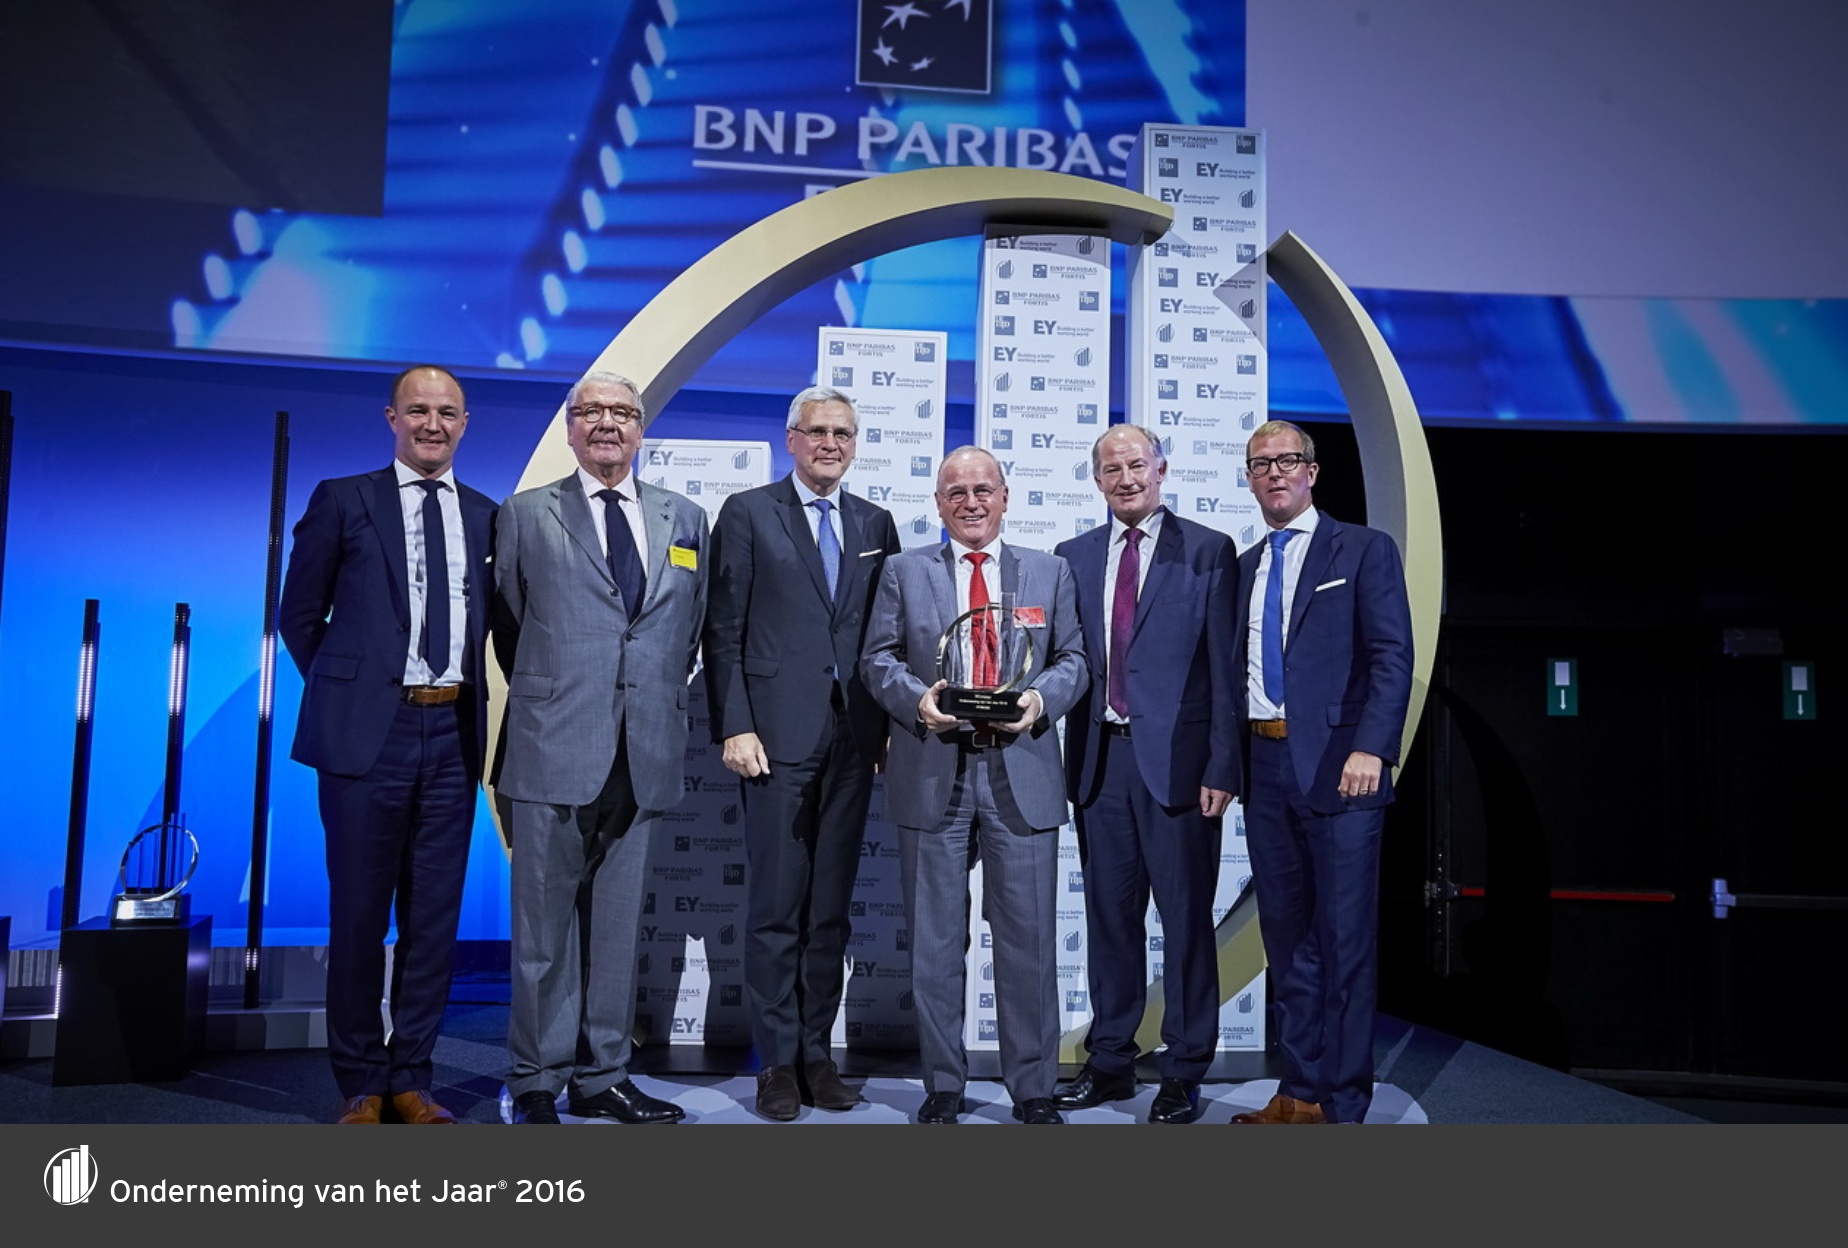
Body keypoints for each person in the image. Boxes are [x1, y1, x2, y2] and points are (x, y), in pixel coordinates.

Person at [279, 364, 497, 1125]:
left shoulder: (486, 515)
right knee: (359, 917)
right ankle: (362, 1085)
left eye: (447, 412)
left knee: (433, 922)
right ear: (392, 418)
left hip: (454, 734)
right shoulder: (343, 499)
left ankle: (413, 1079)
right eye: (418, 410)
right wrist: (354, 693)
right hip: (368, 738)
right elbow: (298, 615)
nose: (433, 424)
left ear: (464, 423)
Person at [492, 371, 709, 1125]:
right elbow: (510, 625)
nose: (608, 423)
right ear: (570, 426)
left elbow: (685, 630)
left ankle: (603, 1075)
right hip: (553, 742)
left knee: (616, 930)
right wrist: (564, 690)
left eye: (622, 412)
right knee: (543, 931)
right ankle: (535, 1078)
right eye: (592, 411)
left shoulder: (685, 518)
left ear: (641, 428)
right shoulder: (527, 513)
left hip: (644, 748)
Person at [860, 447, 1088, 1125]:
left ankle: (1034, 1087)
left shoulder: (1049, 571)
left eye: (983, 489)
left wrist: (1039, 701)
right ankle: (943, 1085)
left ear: (1005, 496)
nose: (971, 502)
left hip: (1022, 772)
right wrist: (916, 702)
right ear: (938, 504)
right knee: (935, 942)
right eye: (955, 492)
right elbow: (877, 658)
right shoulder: (904, 571)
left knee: (1029, 941)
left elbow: (1075, 658)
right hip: (933, 768)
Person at [703, 386, 901, 1120]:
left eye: (842, 433)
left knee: (829, 912)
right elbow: (723, 629)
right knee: (776, 909)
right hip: (773, 741)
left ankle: (818, 1055)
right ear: (791, 439)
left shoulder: (875, 522)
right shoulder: (748, 512)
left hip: (855, 741)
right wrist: (735, 724)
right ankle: (776, 1063)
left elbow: (889, 636)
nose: (829, 444)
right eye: (816, 431)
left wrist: (888, 728)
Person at [1051, 425, 1238, 1125]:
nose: (1125, 478)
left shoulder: (1209, 550)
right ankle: (1110, 1062)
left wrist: (1223, 764)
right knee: (1110, 921)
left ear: (1161, 469)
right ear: (1096, 479)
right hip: (1100, 763)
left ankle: (1184, 1069)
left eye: (1136, 465)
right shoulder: (1072, 557)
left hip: (1182, 770)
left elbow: (1225, 668)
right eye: (1111, 469)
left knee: (1186, 923)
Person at [1228, 420, 1413, 1126]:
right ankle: (1299, 1092)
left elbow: (1392, 655)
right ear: (1250, 479)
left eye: (1287, 460)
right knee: (1287, 942)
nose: (1274, 472)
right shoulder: (1244, 566)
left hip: (1344, 770)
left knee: (1344, 943)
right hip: (1264, 765)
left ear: (1312, 471)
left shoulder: (1362, 549)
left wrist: (1374, 748)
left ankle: (1343, 1104)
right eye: (1261, 463)